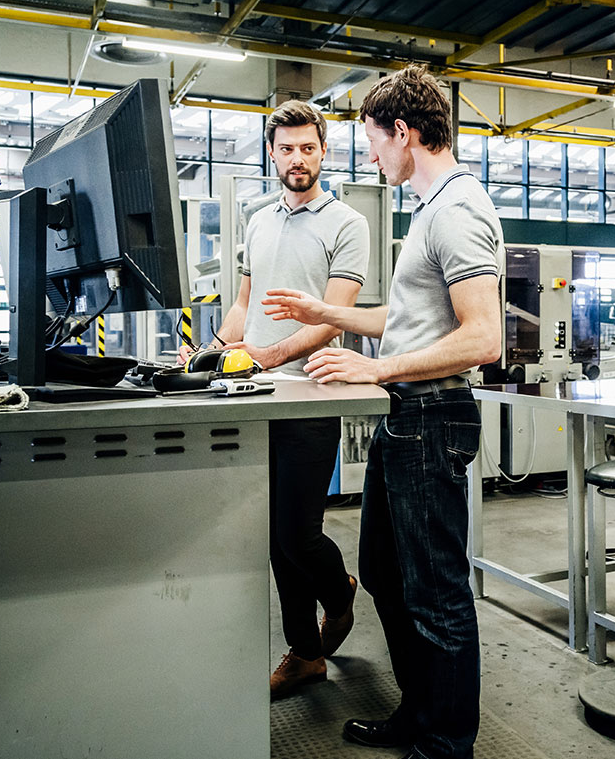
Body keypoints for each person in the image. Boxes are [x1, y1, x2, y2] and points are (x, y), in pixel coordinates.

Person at [262, 65, 503, 759]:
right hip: (408, 419)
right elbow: (403, 319)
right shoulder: (430, 209)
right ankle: (419, 711)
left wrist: (376, 366)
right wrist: (324, 312)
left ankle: (445, 741)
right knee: (383, 571)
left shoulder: (456, 208)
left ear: (404, 132)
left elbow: (481, 338)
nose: (369, 156)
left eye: (373, 142)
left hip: (432, 416)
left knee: (435, 592)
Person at [198, 99, 370, 699]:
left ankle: (340, 591)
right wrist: (209, 350)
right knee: (272, 535)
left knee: (299, 532)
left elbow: (333, 317)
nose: (297, 158)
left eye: (307, 147)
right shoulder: (257, 219)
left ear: (323, 151)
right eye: (286, 148)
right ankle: (304, 652)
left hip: (313, 393)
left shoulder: (347, 223)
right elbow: (245, 304)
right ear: (271, 153)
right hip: (257, 395)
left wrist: (269, 356)